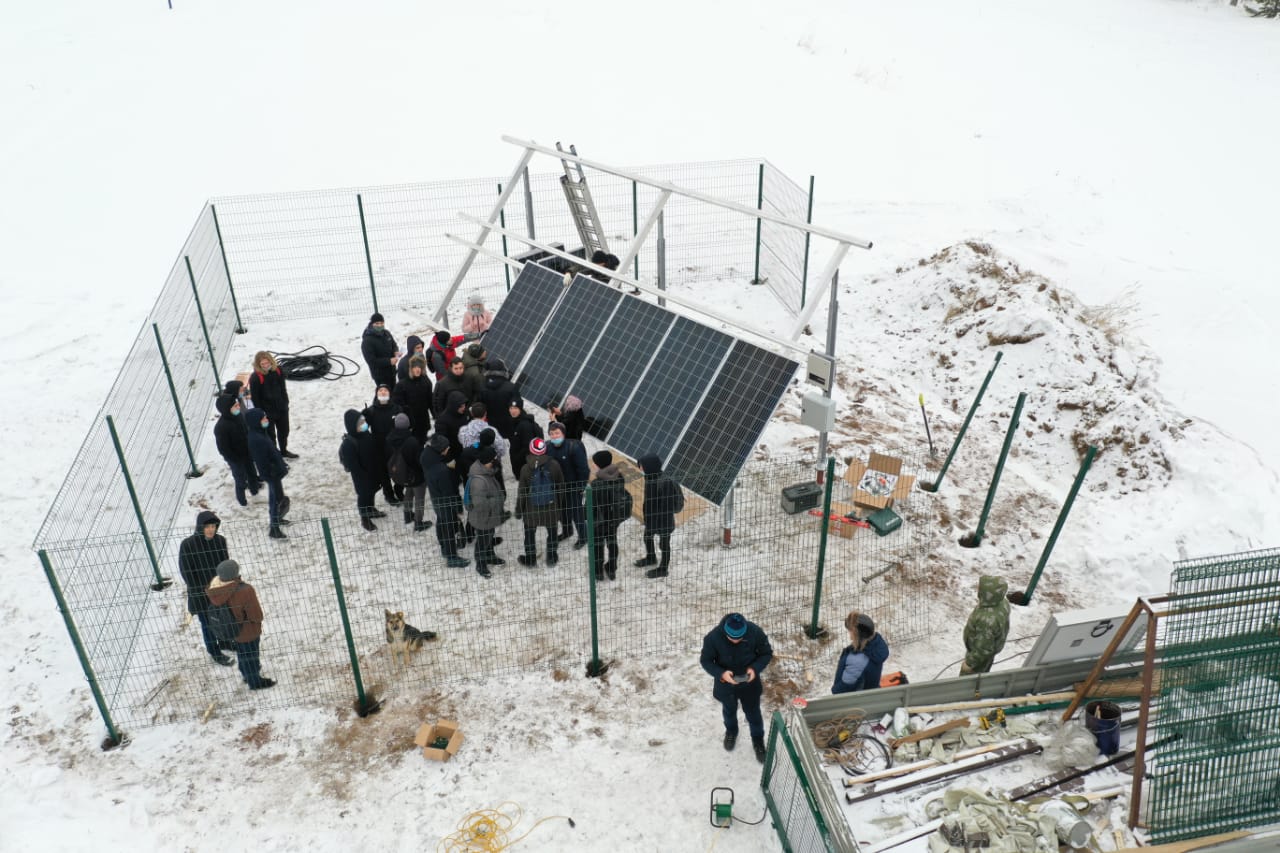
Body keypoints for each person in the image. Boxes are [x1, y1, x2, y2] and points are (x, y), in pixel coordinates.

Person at [700, 613, 773, 763]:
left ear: (745, 630)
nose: (735, 641)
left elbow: (766, 653)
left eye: (739, 638)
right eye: (731, 638)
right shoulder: (712, 638)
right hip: (726, 684)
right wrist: (721, 673)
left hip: (750, 684)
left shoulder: (755, 632)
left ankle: (758, 740)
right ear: (725, 631)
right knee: (729, 711)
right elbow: (706, 661)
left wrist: (754, 669)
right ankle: (731, 732)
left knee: (754, 713)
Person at [206, 559, 275, 690]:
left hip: (232, 629)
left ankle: (245, 673)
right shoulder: (245, 590)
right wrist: (258, 620)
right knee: (251, 655)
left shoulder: (216, 589)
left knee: (242, 653)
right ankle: (255, 682)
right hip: (248, 630)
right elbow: (256, 615)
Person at [177, 511, 234, 666]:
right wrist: (201, 589)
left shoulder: (220, 541)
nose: (211, 529)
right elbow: (186, 571)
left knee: (222, 618)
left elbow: (225, 564)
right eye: (207, 526)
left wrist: (225, 584)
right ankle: (214, 651)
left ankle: (224, 642)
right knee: (208, 624)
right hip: (200, 593)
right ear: (200, 527)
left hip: (219, 590)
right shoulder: (188, 545)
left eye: (213, 526)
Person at [420, 433, 469, 568]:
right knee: (449, 527)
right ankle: (452, 557)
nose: (448, 449)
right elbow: (450, 491)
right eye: (446, 447)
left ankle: (443, 547)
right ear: (440, 449)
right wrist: (457, 508)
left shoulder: (426, 456)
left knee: (441, 522)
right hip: (445, 501)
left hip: (435, 497)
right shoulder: (442, 471)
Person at [635, 454, 685, 579]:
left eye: (642, 466)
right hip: (652, 518)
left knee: (664, 544)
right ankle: (651, 557)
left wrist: (655, 519)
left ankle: (663, 568)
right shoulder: (649, 477)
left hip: (663, 520)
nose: (640, 468)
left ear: (650, 467)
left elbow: (665, 506)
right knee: (647, 537)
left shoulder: (665, 482)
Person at [517, 438, 564, 567]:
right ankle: (552, 557)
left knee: (530, 534)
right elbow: (561, 487)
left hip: (531, 510)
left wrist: (519, 511)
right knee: (552, 533)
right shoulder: (554, 465)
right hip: (551, 507)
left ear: (531, 450)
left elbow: (522, 492)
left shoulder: (526, 468)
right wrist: (559, 506)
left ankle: (531, 559)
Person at [245, 407, 290, 539]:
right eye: (263, 418)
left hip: (274, 473)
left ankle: (278, 519)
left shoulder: (260, 433)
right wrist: (273, 470)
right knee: (275, 500)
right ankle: (274, 528)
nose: (266, 420)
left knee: (279, 498)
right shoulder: (256, 439)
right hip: (272, 474)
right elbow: (262, 460)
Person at [588, 450, 631, 581]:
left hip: (599, 521)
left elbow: (591, 504)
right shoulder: (619, 476)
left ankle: (598, 571)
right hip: (614, 518)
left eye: (595, 463)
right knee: (612, 543)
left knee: (598, 545)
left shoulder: (597, 484)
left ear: (599, 465)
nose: (593, 465)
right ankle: (612, 569)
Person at [546, 421, 589, 548]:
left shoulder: (573, 447)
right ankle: (567, 531)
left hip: (573, 487)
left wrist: (581, 486)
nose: (554, 436)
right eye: (552, 433)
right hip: (557, 488)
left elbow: (583, 469)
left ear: (563, 434)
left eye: (557, 433)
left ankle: (583, 537)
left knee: (577, 513)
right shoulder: (547, 447)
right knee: (562, 512)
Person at [340, 409, 384, 531]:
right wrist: (364, 475)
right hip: (362, 476)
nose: (364, 424)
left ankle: (371, 509)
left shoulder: (365, 434)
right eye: (361, 422)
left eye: (363, 421)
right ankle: (364, 519)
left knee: (372, 491)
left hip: (372, 471)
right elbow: (353, 466)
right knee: (364, 496)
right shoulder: (348, 444)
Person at [213, 392, 260, 506]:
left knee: (252, 474)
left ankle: (255, 494)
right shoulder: (221, 427)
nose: (238, 407)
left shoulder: (239, 416)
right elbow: (223, 449)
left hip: (247, 453)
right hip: (236, 459)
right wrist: (235, 459)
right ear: (226, 409)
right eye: (235, 406)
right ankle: (242, 501)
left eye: (238, 405)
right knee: (240, 479)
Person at [466, 446, 505, 578]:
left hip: (489, 516)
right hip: (483, 518)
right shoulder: (479, 481)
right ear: (487, 460)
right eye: (494, 458)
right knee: (482, 542)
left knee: (489, 537)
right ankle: (481, 564)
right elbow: (480, 504)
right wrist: (497, 500)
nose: (496, 460)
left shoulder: (487, 472)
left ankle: (490, 556)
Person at [386, 413, 430, 531]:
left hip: (401, 474)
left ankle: (407, 515)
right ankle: (418, 522)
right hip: (415, 475)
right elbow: (419, 461)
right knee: (419, 498)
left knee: (408, 493)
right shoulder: (412, 441)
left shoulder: (390, 438)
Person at [249, 351, 297, 458]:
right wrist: (262, 414)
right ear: (258, 365)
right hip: (267, 412)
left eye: (267, 363)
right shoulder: (255, 378)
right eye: (263, 364)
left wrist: (285, 403)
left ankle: (284, 451)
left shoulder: (278, 371)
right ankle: (276, 456)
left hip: (281, 408)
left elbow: (283, 388)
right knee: (271, 436)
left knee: (284, 431)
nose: (266, 366)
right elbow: (255, 398)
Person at [362, 385, 403, 506]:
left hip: (395, 446)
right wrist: (362, 417)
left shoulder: (397, 408)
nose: (383, 392)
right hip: (379, 447)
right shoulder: (371, 411)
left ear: (389, 394)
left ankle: (399, 490)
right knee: (383, 473)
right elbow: (363, 428)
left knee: (399, 469)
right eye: (380, 390)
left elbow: (403, 425)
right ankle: (389, 495)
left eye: (386, 390)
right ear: (376, 394)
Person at [961, 576, 1011, 675]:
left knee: (969, 682)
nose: (978, 589)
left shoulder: (987, 621)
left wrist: (969, 663)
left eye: (980, 588)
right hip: (990, 647)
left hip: (979, 658)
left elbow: (983, 649)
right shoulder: (1001, 602)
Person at [831, 611, 890, 694]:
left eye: (850, 631)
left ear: (858, 636)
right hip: (870, 692)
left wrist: (834, 689)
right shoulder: (875, 646)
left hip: (857, 700)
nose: (850, 635)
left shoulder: (858, 660)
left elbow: (841, 689)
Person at [392, 354, 433, 443]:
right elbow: (397, 405)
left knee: (422, 442)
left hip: (423, 420)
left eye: (420, 367)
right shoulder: (402, 385)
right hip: (410, 422)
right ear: (411, 369)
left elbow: (430, 400)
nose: (418, 369)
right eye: (415, 367)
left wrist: (435, 414)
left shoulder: (426, 381)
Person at [478, 358, 520, 441]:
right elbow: (518, 406)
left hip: (489, 427)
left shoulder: (482, 387)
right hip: (508, 427)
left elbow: (480, 406)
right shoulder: (511, 387)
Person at [361, 312, 400, 390]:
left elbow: (394, 344)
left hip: (392, 371)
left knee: (394, 394)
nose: (380, 325)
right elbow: (371, 361)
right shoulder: (367, 341)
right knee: (385, 396)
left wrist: (395, 351)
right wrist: (389, 361)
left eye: (381, 323)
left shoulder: (386, 333)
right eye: (377, 323)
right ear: (372, 324)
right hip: (380, 375)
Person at [508, 397, 542, 480]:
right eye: (511, 408)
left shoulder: (525, 425)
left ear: (520, 409)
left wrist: (517, 459)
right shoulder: (516, 422)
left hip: (526, 468)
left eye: (515, 408)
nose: (513, 411)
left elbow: (527, 447)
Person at [434, 390, 471, 460]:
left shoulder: (466, 413)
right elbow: (442, 442)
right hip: (454, 454)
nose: (464, 408)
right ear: (454, 406)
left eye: (464, 405)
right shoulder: (442, 420)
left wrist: (476, 446)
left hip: (468, 450)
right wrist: (449, 459)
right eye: (461, 406)